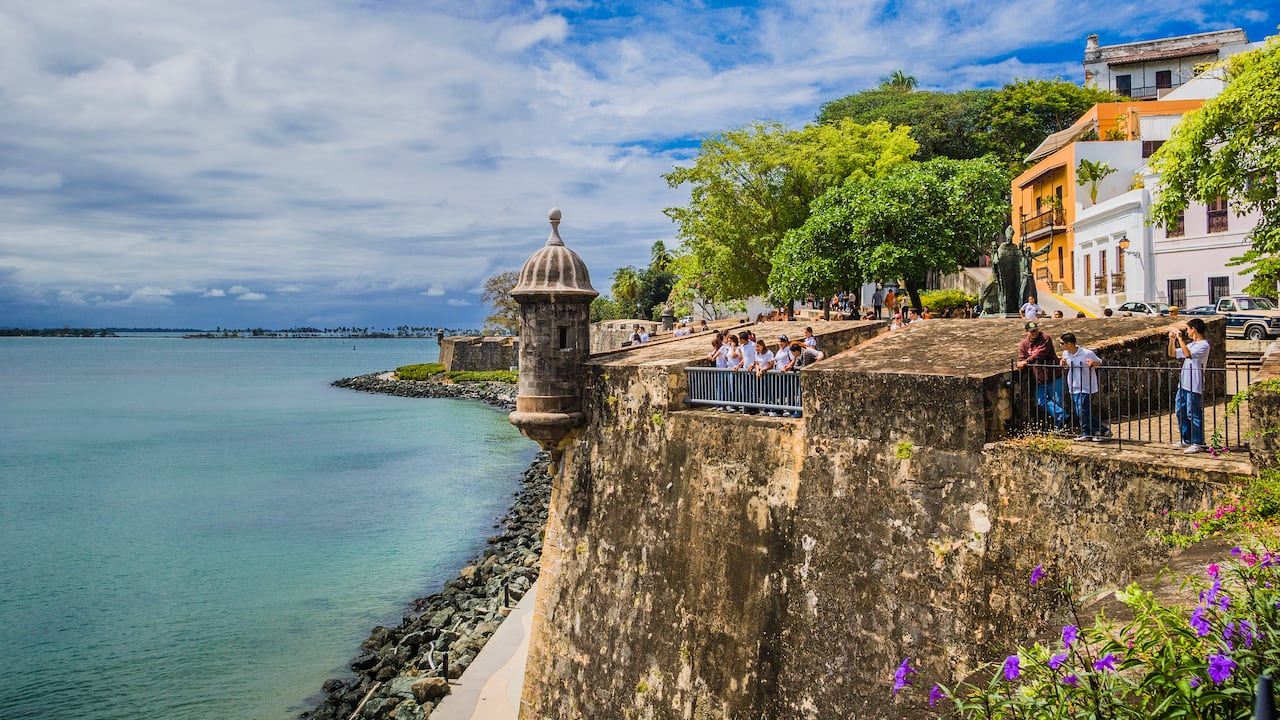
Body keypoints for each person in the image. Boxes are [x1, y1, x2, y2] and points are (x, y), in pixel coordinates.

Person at [1016, 321, 1070, 430]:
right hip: (1039, 378)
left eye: (1035, 330)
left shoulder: (1045, 338)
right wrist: (1022, 362)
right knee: (1040, 401)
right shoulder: (1024, 344)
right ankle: (1063, 417)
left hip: (1054, 376)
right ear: (1026, 332)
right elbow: (1021, 357)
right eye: (1031, 331)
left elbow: (1040, 353)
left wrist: (1026, 361)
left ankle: (1061, 426)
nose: (1034, 333)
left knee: (1059, 401)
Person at [1059, 332, 1112, 442]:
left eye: (1062, 343)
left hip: (1085, 385)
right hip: (1073, 385)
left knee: (1082, 410)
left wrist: (1093, 363)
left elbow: (1100, 363)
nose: (1060, 346)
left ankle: (1103, 430)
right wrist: (1063, 365)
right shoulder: (1065, 354)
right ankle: (1086, 432)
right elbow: (1067, 367)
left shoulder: (1087, 353)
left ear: (1069, 343)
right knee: (1080, 410)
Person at [1169, 318, 1210, 453]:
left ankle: (1198, 442)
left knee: (1193, 413)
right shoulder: (1191, 344)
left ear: (1194, 329)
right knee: (1180, 411)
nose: (1187, 332)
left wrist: (1180, 339)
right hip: (1184, 383)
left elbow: (1188, 355)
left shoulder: (1204, 345)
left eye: (1188, 329)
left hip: (1194, 384)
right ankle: (1186, 439)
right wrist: (1172, 340)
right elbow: (1173, 353)